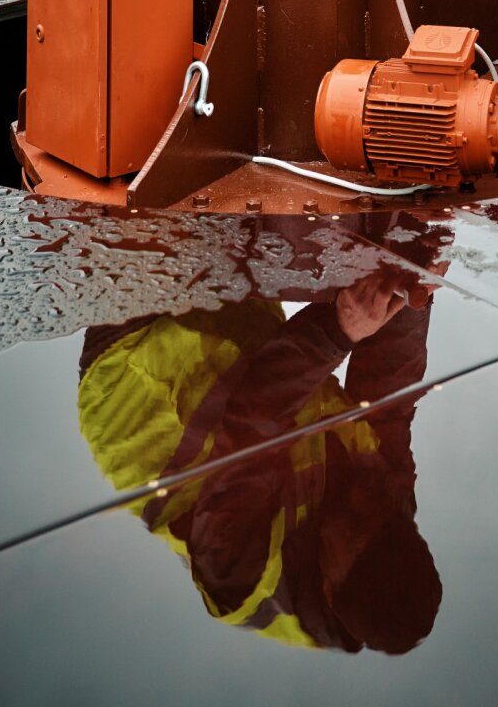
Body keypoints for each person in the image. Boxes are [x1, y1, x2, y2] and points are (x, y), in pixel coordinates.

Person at [79, 276, 442, 653]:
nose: (360, 505)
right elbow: (388, 403)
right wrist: (409, 293)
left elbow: (250, 424)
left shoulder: (245, 582)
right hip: (238, 325)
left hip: (135, 368)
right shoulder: (389, 518)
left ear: (329, 588)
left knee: (141, 223)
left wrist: (336, 331)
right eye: (380, 516)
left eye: (353, 531)